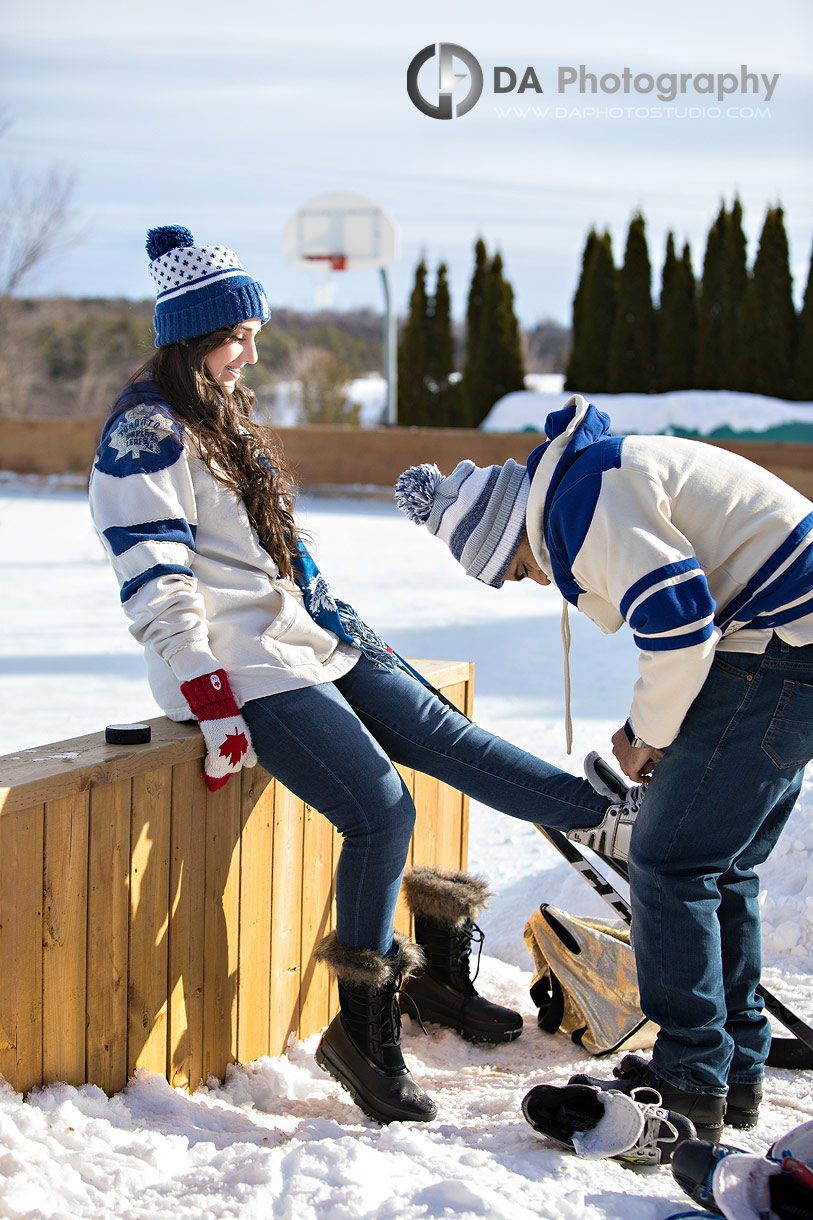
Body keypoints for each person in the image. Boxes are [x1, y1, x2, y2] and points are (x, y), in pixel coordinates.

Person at [88, 227, 639, 1126]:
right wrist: (204, 692)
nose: (250, 352)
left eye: (255, 335)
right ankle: (361, 1032)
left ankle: (606, 820)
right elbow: (153, 575)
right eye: (237, 337)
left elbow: (277, 554)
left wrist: (339, 620)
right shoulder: (146, 433)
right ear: (191, 336)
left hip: (305, 635)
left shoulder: (220, 418)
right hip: (238, 664)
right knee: (380, 809)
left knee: (436, 732)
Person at [396, 393, 813, 1142]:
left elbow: (679, 627)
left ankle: (688, 1081)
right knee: (719, 867)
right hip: (788, 632)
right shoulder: (590, 479)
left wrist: (642, 736)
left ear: (506, 538)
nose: (528, 581)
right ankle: (732, 1072)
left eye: (512, 572)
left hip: (782, 640)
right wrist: (657, 733)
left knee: (668, 861)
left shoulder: (579, 503)